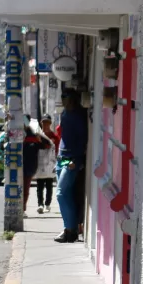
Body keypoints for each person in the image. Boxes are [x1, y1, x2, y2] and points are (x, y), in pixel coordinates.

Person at [54, 90, 89, 243]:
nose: (64, 101)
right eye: (62, 98)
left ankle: (70, 229)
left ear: (74, 99)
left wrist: (77, 159)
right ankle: (69, 229)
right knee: (66, 194)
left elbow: (83, 139)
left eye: (66, 98)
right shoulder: (65, 114)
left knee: (61, 193)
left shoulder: (79, 115)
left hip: (72, 158)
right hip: (61, 157)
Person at [34, 115, 59, 214]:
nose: (45, 125)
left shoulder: (54, 136)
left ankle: (47, 204)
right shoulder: (38, 135)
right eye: (44, 123)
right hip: (40, 163)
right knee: (39, 186)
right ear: (41, 123)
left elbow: (57, 149)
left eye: (47, 123)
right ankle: (40, 204)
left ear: (50, 123)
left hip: (50, 164)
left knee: (49, 185)